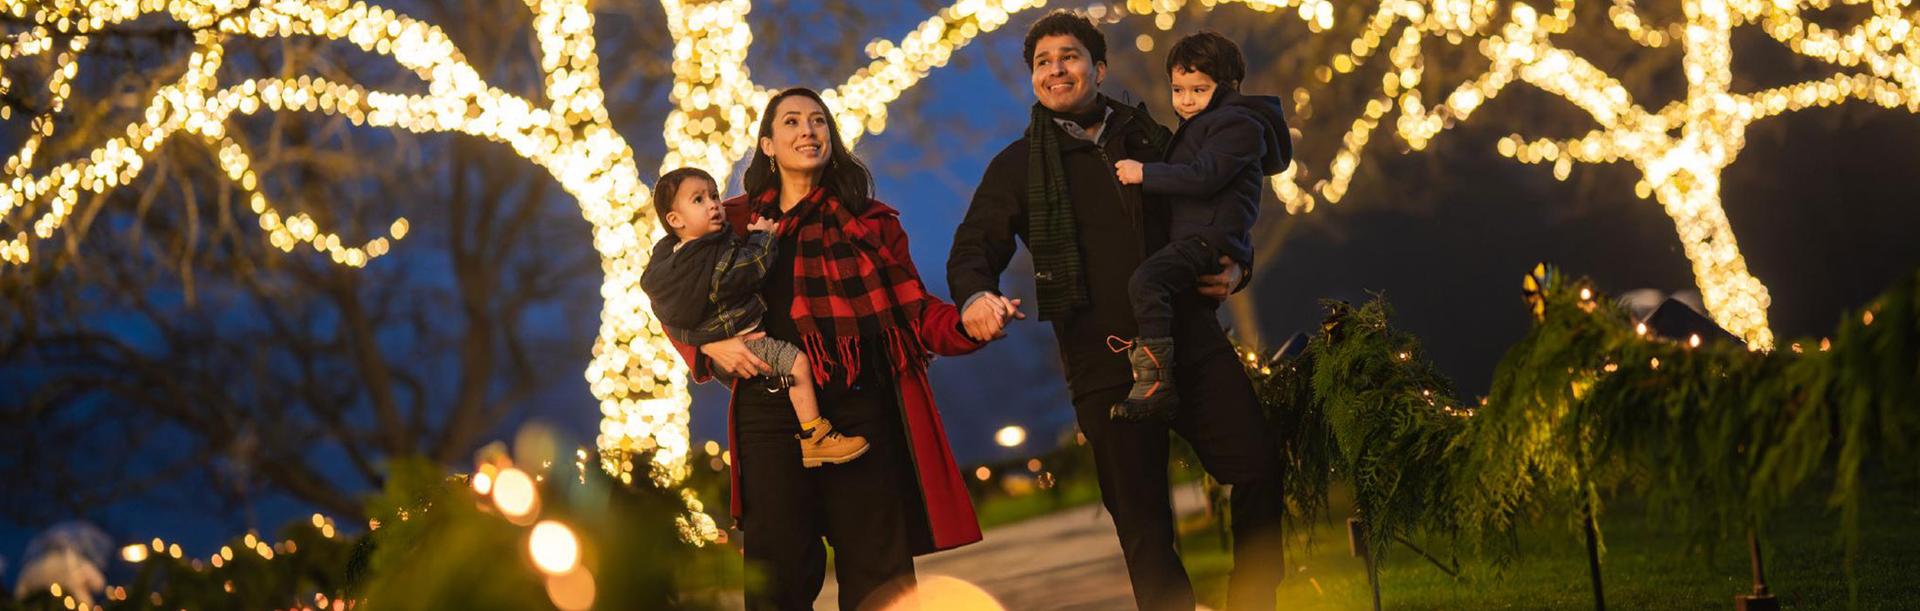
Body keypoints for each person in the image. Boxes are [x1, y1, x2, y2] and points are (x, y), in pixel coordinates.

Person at [946, 11, 1288, 610]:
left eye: (1069, 56)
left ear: (1097, 69)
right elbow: (973, 249)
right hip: (1103, 366)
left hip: (1191, 341)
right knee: (1144, 525)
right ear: (1033, 78)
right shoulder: (1017, 167)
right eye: (1042, 61)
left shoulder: (1156, 140)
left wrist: (1239, 267)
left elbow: (1221, 198)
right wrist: (977, 296)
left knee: (1258, 465)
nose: (1056, 69)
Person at [667, 87, 1002, 610]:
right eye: (793, 122)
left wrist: (969, 322)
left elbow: (915, 311)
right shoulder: (730, 222)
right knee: (778, 578)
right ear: (768, 145)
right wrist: (709, 350)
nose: (808, 131)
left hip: (861, 410)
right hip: (771, 415)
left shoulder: (872, 223)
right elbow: (671, 291)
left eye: (818, 121)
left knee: (880, 580)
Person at [1109, 31, 1291, 422]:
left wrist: (1146, 174)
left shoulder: (1238, 125)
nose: (1186, 99)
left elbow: (1204, 176)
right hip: (1200, 236)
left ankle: (1155, 381)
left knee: (1148, 281)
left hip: (1208, 238)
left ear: (1229, 87)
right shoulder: (1204, 124)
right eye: (1178, 89)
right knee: (1157, 289)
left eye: (1199, 89)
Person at [640, 166, 870, 468]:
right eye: (698, 200)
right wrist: (763, 236)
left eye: (714, 196)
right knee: (797, 362)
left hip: (727, 346)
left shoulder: (671, 261)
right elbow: (751, 268)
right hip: (743, 343)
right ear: (675, 220)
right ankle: (815, 435)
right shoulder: (708, 259)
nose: (713, 204)